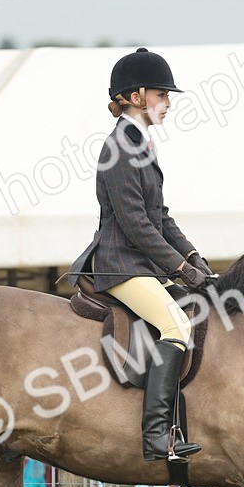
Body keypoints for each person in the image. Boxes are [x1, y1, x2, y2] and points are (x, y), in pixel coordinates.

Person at [67, 47, 213, 462]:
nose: (168, 103)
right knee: (177, 325)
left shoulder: (140, 144)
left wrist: (193, 255)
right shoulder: (119, 148)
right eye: (162, 95)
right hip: (120, 264)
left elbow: (160, 216)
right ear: (136, 97)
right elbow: (134, 222)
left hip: (142, 262)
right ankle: (155, 438)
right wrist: (179, 268)